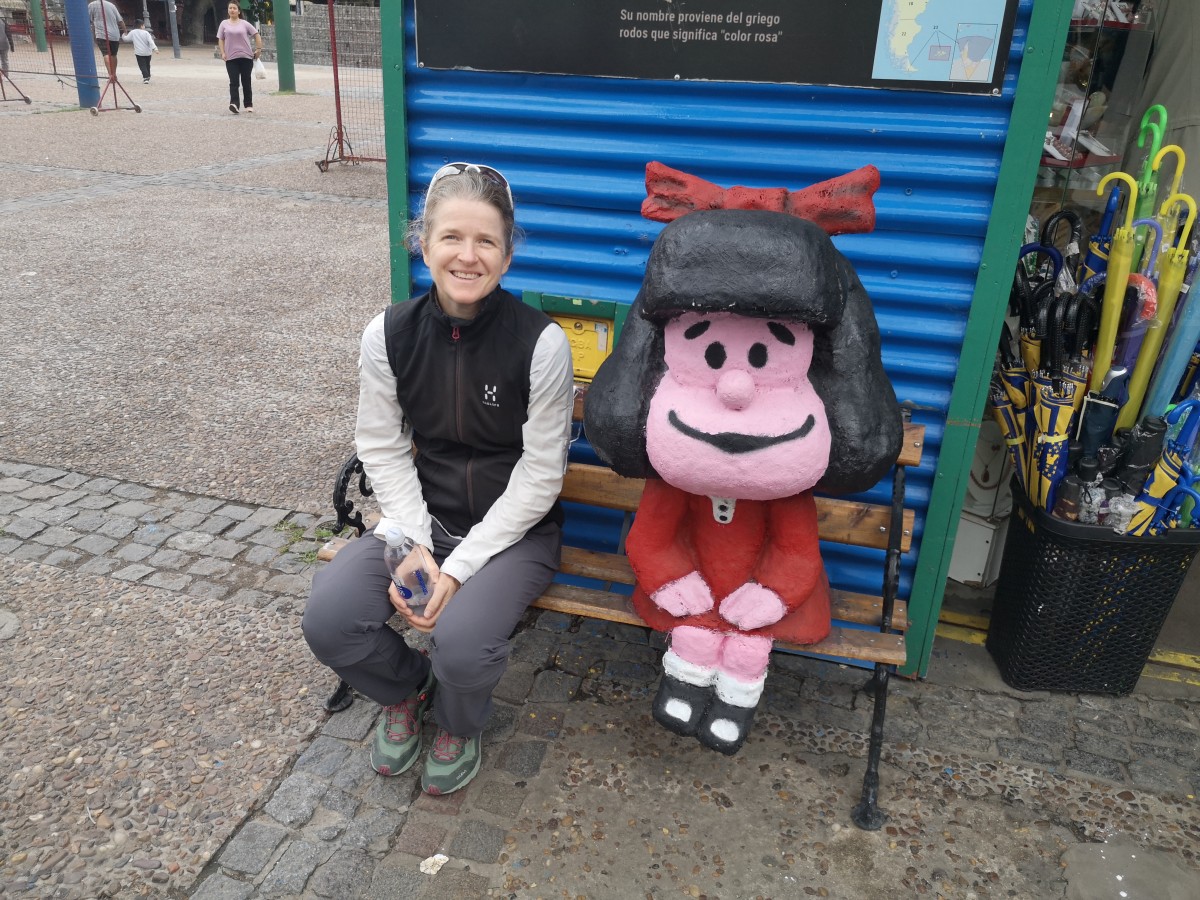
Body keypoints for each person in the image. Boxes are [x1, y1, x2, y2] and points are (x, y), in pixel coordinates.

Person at [303, 162, 574, 795]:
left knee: (462, 643)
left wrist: (458, 568)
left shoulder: (541, 344)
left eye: (486, 241)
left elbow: (541, 474)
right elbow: (381, 444)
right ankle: (406, 689)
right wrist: (413, 544)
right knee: (330, 619)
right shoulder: (388, 334)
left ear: (507, 255)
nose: (467, 255)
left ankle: (458, 722)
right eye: (451, 236)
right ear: (423, 245)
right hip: (420, 520)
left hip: (513, 536)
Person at [216, 2, 261, 114]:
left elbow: (256, 34)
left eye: (234, 8)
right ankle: (234, 104)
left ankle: (248, 104)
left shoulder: (244, 24)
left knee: (246, 81)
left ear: (239, 11)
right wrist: (222, 52)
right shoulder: (224, 24)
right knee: (234, 82)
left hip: (246, 57)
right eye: (230, 8)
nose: (232, 10)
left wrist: (258, 49)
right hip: (231, 58)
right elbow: (221, 39)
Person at [88, 0, 126, 83]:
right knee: (113, 55)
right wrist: (125, 31)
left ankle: (110, 75)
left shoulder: (92, 5)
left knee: (106, 54)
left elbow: (88, 20)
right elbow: (120, 20)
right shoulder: (111, 5)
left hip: (102, 34)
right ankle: (114, 73)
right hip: (115, 34)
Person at [121, 19, 158, 84]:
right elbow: (151, 41)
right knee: (147, 64)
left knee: (142, 65)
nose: (144, 26)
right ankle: (148, 75)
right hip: (148, 52)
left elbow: (126, 39)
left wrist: (123, 35)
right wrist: (155, 48)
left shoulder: (133, 32)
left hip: (139, 53)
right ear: (141, 26)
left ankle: (145, 77)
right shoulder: (146, 33)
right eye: (143, 25)